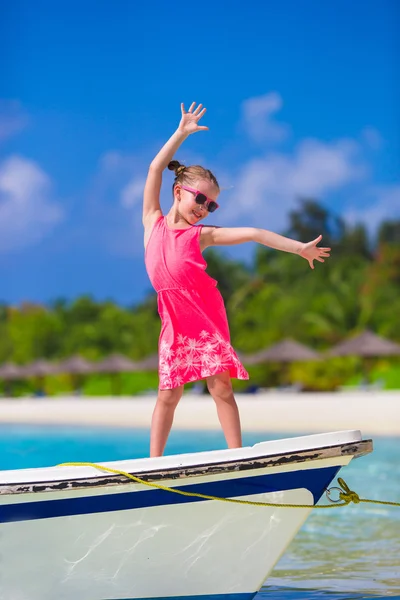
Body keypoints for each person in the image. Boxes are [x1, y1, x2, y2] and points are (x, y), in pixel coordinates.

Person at [143, 102, 331, 457]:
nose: (204, 208)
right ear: (178, 191)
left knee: (221, 387)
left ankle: (237, 455)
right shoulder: (151, 223)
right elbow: (155, 167)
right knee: (168, 393)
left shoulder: (203, 235)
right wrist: (181, 133)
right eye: (200, 199)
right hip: (172, 321)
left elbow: (255, 233)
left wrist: (299, 248)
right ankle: (153, 465)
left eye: (211, 205)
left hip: (204, 316)